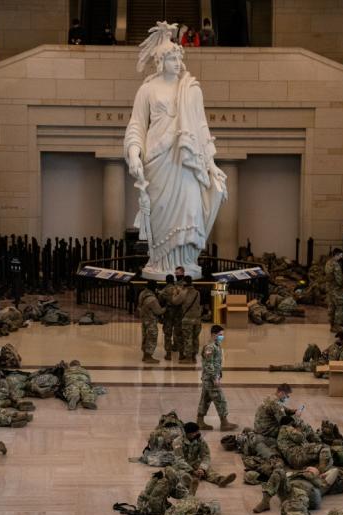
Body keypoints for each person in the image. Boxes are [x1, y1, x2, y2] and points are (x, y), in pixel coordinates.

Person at [125, 22, 226, 276]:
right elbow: (136, 124)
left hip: (186, 157)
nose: (177, 62)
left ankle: (186, 262)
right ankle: (161, 263)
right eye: (171, 57)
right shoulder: (147, 89)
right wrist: (135, 152)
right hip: (158, 160)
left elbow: (202, 127)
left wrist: (211, 164)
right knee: (161, 214)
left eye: (178, 57)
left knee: (190, 209)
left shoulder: (191, 89)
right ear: (160, 61)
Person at [197, 325, 237, 431]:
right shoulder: (210, 347)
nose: (222, 337)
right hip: (210, 379)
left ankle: (200, 421)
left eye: (222, 335)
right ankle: (224, 423)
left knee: (205, 400)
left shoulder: (217, 345)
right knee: (220, 399)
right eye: (220, 335)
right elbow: (209, 364)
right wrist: (215, 377)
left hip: (209, 378)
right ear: (213, 334)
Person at [172, 422, 236, 487]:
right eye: (195, 432)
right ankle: (190, 482)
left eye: (197, 431)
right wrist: (192, 471)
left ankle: (220, 480)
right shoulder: (177, 442)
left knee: (208, 470)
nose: (197, 434)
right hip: (182, 465)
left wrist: (202, 468)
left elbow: (206, 455)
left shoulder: (199, 439)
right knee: (182, 474)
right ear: (188, 434)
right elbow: (180, 460)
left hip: (195, 462)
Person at [172, 276, 201, 363]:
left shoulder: (183, 293)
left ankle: (188, 358)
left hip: (187, 319)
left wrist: (175, 293)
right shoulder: (197, 292)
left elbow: (175, 301)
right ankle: (194, 356)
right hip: (197, 319)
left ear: (184, 283)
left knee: (188, 338)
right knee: (195, 338)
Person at [138, 280, 164, 364]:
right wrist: (166, 308)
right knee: (152, 338)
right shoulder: (152, 299)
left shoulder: (142, 293)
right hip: (151, 321)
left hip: (144, 319)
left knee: (145, 337)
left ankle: (145, 356)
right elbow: (158, 311)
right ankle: (149, 356)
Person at [159, 275, 180, 360]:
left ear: (166, 281)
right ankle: (176, 347)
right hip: (178, 313)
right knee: (177, 331)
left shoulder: (163, 291)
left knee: (167, 334)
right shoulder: (178, 290)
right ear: (173, 280)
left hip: (168, 314)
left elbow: (160, 303)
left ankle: (168, 354)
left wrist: (160, 316)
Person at [324, 249, 343, 332]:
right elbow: (339, 279)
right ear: (336, 254)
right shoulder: (335, 264)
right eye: (340, 255)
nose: (341, 257)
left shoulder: (328, 263)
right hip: (336, 289)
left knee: (331, 306)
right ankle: (337, 326)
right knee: (339, 306)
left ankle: (332, 325)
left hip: (329, 288)